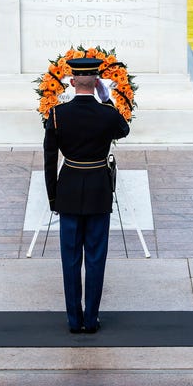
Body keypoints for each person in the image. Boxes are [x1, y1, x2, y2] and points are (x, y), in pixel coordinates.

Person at [43, 57, 130, 334]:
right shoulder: (106, 114)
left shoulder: (57, 114)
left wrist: (53, 197)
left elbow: (49, 160)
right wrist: (107, 101)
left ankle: (73, 320)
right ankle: (91, 320)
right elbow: (124, 130)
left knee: (70, 259)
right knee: (95, 258)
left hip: (68, 190)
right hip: (98, 191)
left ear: (71, 82)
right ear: (97, 83)